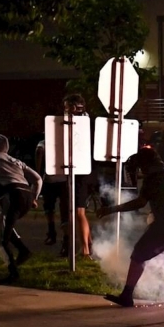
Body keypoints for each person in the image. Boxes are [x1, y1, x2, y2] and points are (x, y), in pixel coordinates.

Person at [96, 148, 164, 307]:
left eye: (141, 166)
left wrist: (111, 209)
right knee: (157, 253)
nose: (140, 170)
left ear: (146, 164)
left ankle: (127, 295)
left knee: (138, 254)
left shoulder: (153, 176)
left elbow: (140, 202)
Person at [0, 134, 42, 281]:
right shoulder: (16, 161)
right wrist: (34, 197)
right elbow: (37, 179)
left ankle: (13, 272)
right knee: (0, 222)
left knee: (1, 239)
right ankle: (23, 251)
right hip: (25, 196)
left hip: (11, 197)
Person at [63, 94, 93, 258]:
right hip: (79, 170)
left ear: (76, 107)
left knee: (78, 211)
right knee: (79, 211)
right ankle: (89, 244)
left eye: (68, 106)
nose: (66, 110)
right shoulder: (84, 121)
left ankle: (85, 251)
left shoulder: (80, 123)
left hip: (81, 171)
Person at [35, 136, 69, 246]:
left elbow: (39, 151)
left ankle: (52, 233)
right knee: (64, 211)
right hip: (64, 180)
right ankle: (66, 240)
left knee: (49, 208)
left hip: (50, 180)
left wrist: (38, 172)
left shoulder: (45, 142)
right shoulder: (65, 141)